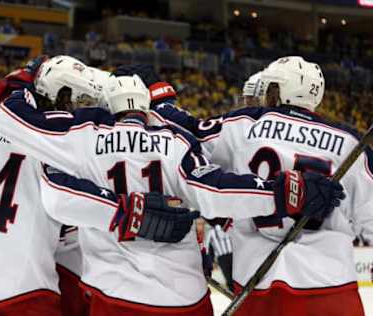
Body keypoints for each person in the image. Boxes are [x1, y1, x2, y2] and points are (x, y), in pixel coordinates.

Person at [0, 62, 343, 315]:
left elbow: (58, 194)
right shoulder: (177, 142)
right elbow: (215, 189)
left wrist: (22, 84)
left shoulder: (84, 136)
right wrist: (280, 193)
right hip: (184, 298)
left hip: (115, 296)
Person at [0, 55, 197, 316]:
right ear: (64, 97)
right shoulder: (59, 140)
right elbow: (67, 211)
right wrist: (134, 215)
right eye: (81, 101)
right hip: (20, 290)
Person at [148, 56, 370, 315]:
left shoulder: (245, 124)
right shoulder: (350, 143)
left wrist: (156, 99)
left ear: (279, 90)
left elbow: (187, 134)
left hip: (259, 289)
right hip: (331, 292)